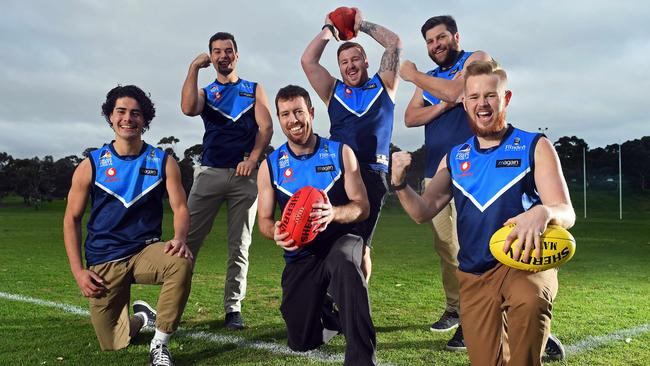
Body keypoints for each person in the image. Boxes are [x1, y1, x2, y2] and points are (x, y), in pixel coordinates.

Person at [391, 60, 575, 366]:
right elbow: (423, 211)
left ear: (506, 98)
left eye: (490, 95)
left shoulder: (534, 146)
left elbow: (565, 212)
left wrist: (544, 212)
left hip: (525, 263)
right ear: (463, 102)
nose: (482, 103)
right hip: (474, 274)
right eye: (474, 96)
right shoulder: (455, 157)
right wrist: (398, 183)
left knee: (529, 304)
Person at [63, 85, 193, 366]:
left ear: (144, 120)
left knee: (180, 261)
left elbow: (181, 207)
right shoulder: (91, 165)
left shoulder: (163, 162)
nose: (128, 118)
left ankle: (160, 344)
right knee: (113, 343)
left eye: (136, 113)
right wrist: (78, 272)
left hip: (144, 251)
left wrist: (180, 237)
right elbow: (71, 219)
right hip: (104, 257)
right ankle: (142, 318)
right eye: (121, 111)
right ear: (110, 116)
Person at [257, 85, 377, 366]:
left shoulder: (339, 153)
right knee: (301, 341)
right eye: (285, 114)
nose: (293, 120)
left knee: (346, 266)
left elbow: (362, 206)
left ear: (311, 113)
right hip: (301, 254)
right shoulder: (271, 166)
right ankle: (329, 312)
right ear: (279, 119)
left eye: (298, 111)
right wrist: (274, 231)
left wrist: (332, 213)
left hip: (340, 239)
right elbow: (263, 219)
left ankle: (361, 359)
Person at [399, 14, 491, 351]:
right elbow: (411, 118)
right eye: (430, 41)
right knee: (446, 248)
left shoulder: (477, 59)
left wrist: (413, 76)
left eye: (441, 38)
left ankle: (475, 318)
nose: (435, 45)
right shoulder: (430, 79)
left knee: (474, 247)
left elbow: (458, 88)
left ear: (455, 36)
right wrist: (443, 104)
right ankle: (455, 309)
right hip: (436, 173)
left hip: (476, 170)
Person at [181, 32, 273, 330]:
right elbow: (187, 108)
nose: (223, 55)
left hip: (244, 178)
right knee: (186, 242)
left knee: (240, 245)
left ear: (237, 54)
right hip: (209, 174)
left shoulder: (253, 89)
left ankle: (233, 308)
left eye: (228, 50)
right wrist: (193, 68)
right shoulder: (206, 93)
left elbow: (266, 126)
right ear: (212, 56)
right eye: (217, 51)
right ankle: (174, 304)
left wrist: (254, 158)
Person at [301, 8, 401, 282]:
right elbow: (308, 61)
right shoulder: (333, 91)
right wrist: (328, 31)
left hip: (371, 176)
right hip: (337, 174)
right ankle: (329, 303)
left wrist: (362, 25)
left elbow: (394, 43)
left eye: (355, 58)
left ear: (366, 60)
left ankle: (357, 304)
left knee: (362, 247)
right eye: (344, 61)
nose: (350, 65)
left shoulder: (384, 85)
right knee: (325, 242)